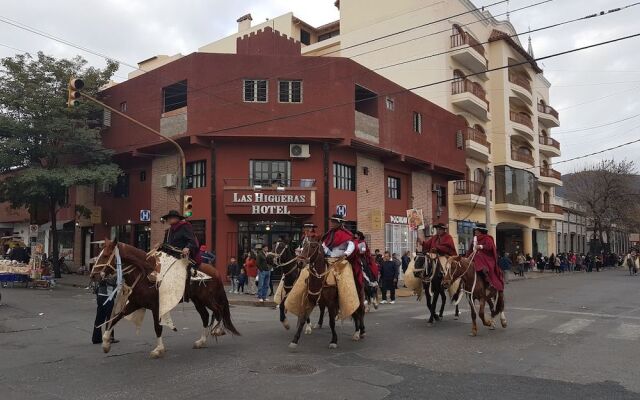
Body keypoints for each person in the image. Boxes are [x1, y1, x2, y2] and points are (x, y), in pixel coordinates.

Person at [466, 223, 504, 292]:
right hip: (475, 256)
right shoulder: (474, 239)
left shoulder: (488, 238)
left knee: (478, 256)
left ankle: (488, 280)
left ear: (480, 231)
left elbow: (490, 247)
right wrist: (466, 258)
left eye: (476, 230)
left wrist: (481, 246)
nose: (475, 231)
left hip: (487, 258)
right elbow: (470, 250)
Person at [92, 274, 118, 345]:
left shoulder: (100, 271)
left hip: (100, 296)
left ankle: (96, 338)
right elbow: (111, 282)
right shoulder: (109, 273)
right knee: (110, 318)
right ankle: (109, 337)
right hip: (107, 297)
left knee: (99, 318)